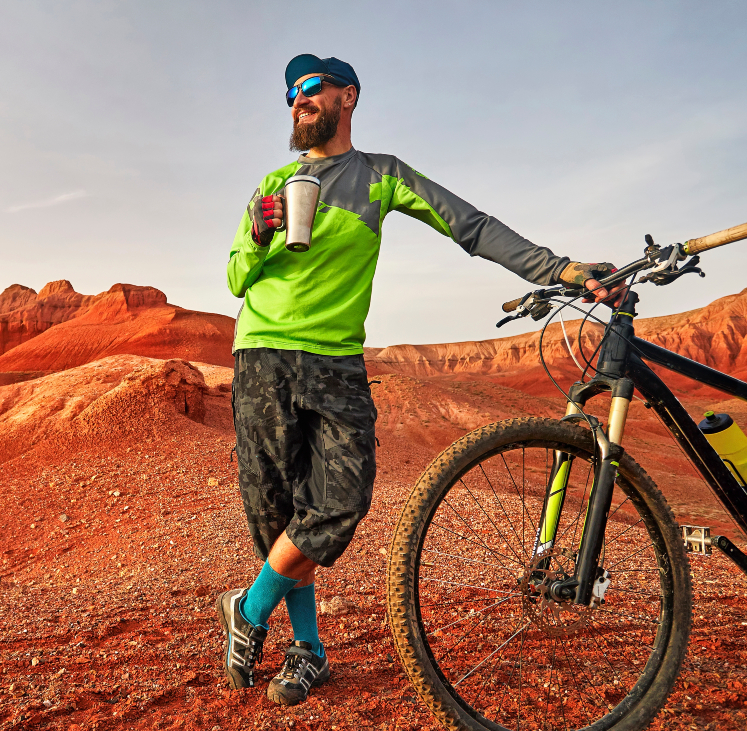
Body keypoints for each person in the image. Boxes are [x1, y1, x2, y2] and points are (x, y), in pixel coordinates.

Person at [218, 53, 622, 707]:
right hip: (261, 354)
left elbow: (471, 226)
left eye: (312, 89)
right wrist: (260, 233)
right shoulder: (270, 182)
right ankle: (309, 650)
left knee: (338, 503)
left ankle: (249, 606)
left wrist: (562, 269)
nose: (299, 100)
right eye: (291, 94)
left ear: (348, 96)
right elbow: (237, 276)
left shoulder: (381, 176)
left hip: (335, 359)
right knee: (278, 518)